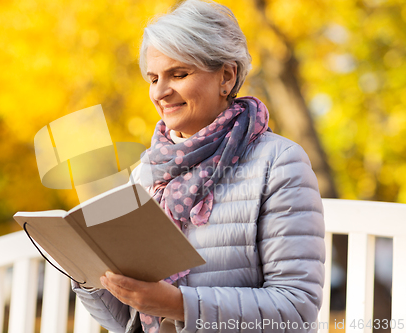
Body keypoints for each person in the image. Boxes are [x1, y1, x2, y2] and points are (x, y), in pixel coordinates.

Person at [72, 0, 325, 332]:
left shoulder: (279, 163)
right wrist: (86, 272)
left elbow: (296, 308)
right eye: (153, 78)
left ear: (227, 76)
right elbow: (127, 322)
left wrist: (177, 305)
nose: (160, 92)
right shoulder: (146, 171)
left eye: (178, 74)